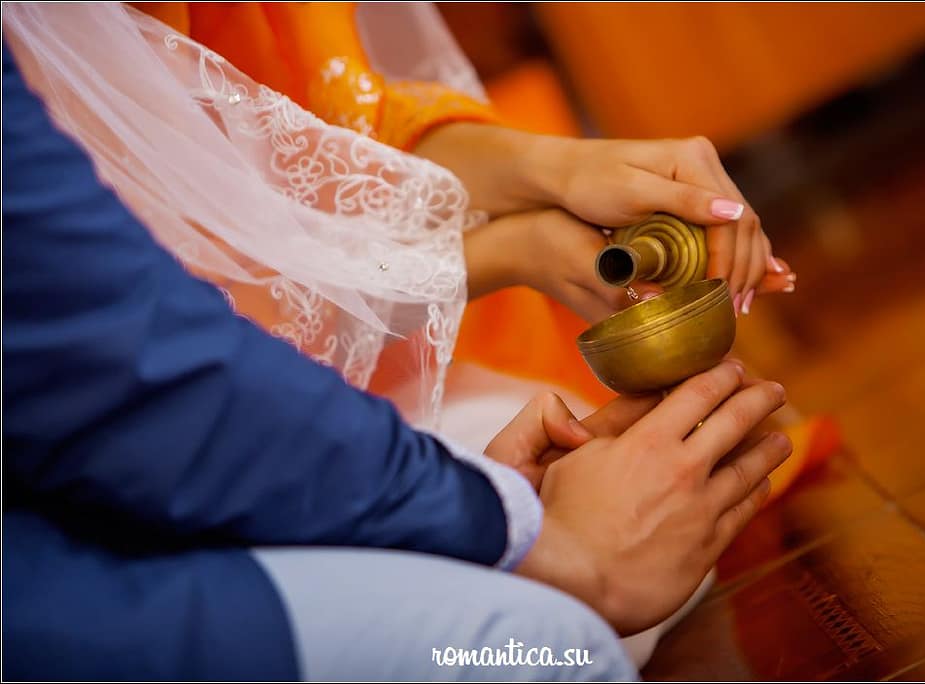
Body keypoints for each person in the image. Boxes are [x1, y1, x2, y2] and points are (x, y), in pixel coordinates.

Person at [1, 9, 793, 682]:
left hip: (162, 420)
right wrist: (527, 533)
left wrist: (556, 172)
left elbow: (307, 137)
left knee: (655, 532)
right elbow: (161, 353)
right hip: (64, 527)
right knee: (547, 643)